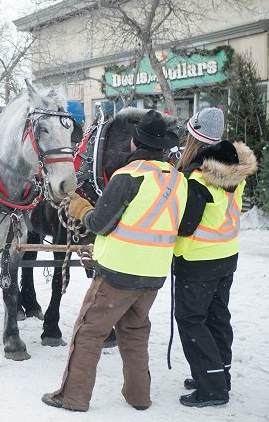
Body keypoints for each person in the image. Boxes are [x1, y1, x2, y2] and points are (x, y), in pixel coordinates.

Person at [41, 110, 187, 412]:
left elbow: (98, 224)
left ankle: (73, 396)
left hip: (118, 273)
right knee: (135, 334)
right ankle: (139, 396)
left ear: (134, 143)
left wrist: (79, 207)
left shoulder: (127, 177)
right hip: (154, 275)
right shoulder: (178, 180)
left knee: (88, 332)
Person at [173, 108, 257, 407]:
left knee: (191, 319)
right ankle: (219, 375)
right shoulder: (233, 168)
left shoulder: (197, 179)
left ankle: (212, 389)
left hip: (197, 261)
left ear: (194, 139)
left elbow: (185, 225)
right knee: (217, 316)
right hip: (226, 254)